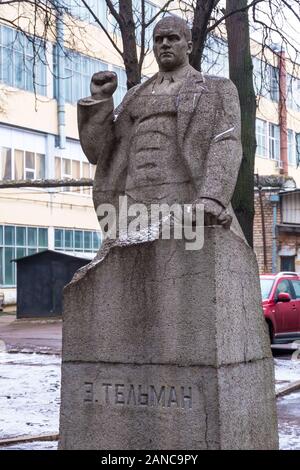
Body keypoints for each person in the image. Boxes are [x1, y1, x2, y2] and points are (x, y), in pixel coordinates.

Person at [78, 16, 243, 236]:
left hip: (186, 202)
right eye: (158, 39)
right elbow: (99, 152)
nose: (164, 44)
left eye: (172, 38)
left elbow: (226, 142)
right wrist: (100, 101)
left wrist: (211, 199)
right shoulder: (135, 96)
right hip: (133, 207)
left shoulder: (217, 89)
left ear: (189, 46)